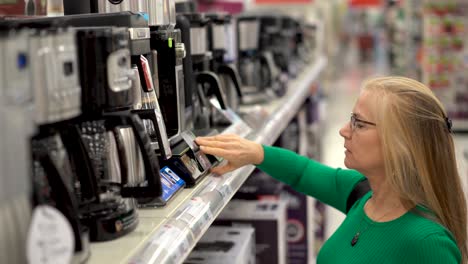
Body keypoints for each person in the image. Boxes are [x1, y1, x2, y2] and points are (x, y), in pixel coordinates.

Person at [195, 76, 467, 263]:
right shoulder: (363, 193)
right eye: (350, 119)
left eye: (359, 123)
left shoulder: (428, 243)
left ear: (401, 143)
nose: (344, 130)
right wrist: (255, 152)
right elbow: (303, 173)